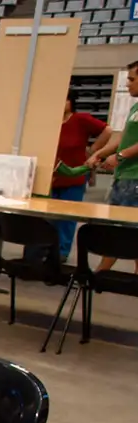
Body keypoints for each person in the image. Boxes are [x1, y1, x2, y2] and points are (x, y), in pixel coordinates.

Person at [44, 91, 110, 259]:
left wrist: (94, 151)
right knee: (47, 216)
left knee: (67, 217)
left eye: (65, 99)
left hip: (73, 175)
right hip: (51, 176)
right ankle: (47, 248)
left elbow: (107, 131)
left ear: (71, 102)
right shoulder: (49, 121)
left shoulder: (81, 119)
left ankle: (62, 251)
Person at [87, 60, 138, 271]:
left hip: (135, 179)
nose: (127, 84)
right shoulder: (136, 107)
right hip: (123, 177)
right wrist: (100, 153)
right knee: (116, 229)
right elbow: (124, 138)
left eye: (132, 79)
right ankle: (100, 274)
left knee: (133, 233)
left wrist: (120, 156)